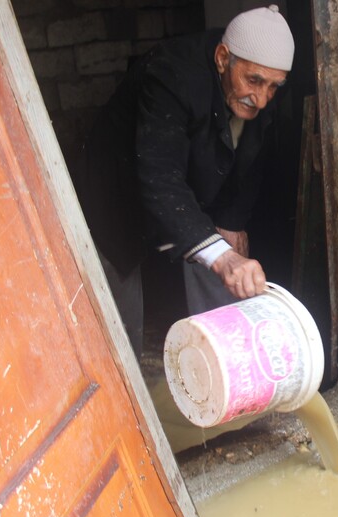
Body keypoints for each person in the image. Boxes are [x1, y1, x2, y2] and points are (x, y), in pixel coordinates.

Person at [71, 5, 295, 357]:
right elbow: (160, 177)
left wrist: (231, 223)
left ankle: (227, 378)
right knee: (117, 333)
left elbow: (249, 160)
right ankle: (128, 400)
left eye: (273, 87)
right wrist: (222, 257)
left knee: (221, 265)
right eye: (254, 81)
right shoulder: (172, 74)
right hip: (116, 196)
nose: (263, 98)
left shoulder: (256, 92)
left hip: (185, 196)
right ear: (223, 58)